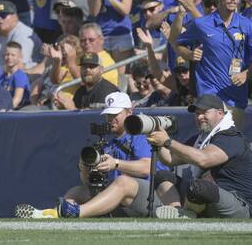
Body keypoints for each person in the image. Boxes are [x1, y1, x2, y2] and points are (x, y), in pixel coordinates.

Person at [16, 91, 173, 219]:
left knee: (123, 182)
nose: (111, 119)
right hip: (124, 202)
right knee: (76, 192)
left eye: (115, 114)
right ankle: (51, 215)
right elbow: (89, 184)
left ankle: (76, 212)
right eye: (108, 115)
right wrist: (85, 168)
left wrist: (116, 163)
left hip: (154, 199)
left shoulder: (140, 133)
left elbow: (147, 167)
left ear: (129, 112)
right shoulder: (109, 143)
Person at [148, 94, 252, 219]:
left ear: (220, 113)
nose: (199, 116)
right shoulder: (200, 139)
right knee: (162, 176)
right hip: (206, 198)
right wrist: (156, 140)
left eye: (204, 112)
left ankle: (185, 213)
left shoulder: (231, 137)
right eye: (197, 113)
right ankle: (177, 211)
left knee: (199, 187)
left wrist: (168, 142)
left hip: (239, 203)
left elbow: (204, 159)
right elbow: (169, 159)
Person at [175, 0, 252, 130]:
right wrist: (189, 54)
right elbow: (178, 44)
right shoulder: (201, 24)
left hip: (235, 96)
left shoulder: (246, 24)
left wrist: (246, 73)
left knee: (232, 145)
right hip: (208, 93)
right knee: (210, 139)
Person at [0, 0, 43, 71]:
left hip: (28, 76)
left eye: (3, 15)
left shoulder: (22, 34)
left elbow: (18, 67)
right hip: (3, 73)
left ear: (15, 16)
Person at [0, 41, 30, 109]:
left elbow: (16, 100)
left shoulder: (20, 75)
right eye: (7, 54)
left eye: (13, 55)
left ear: (20, 56)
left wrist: (4, 112)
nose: (9, 57)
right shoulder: (1, 75)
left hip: (18, 110)